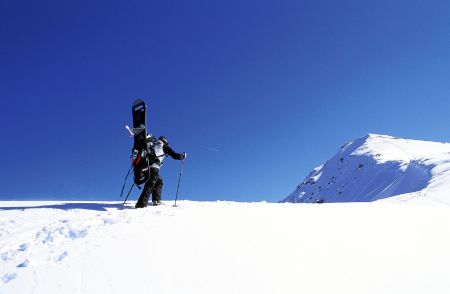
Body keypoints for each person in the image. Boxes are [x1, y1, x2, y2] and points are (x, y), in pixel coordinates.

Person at [135, 135, 187, 208]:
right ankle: (140, 205)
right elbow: (175, 156)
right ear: (165, 141)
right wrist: (182, 156)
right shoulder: (162, 145)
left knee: (158, 181)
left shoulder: (151, 145)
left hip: (145, 168)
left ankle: (156, 200)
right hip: (154, 168)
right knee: (149, 186)